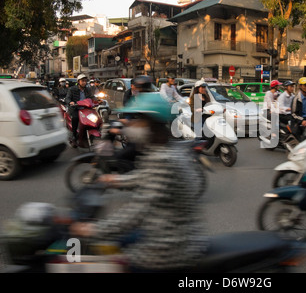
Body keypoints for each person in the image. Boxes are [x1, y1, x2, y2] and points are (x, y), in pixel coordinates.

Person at [70, 93, 208, 272]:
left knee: (115, 262)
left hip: (168, 249)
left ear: (151, 125)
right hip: (168, 230)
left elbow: (136, 213)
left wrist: (93, 229)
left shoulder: (162, 159)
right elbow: (147, 177)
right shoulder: (163, 150)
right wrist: (114, 180)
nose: (131, 126)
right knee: (120, 242)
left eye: (137, 120)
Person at [65, 74, 96, 148]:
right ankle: (74, 136)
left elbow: (92, 97)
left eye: (85, 81)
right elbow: (67, 98)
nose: (84, 82)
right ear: (78, 82)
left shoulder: (88, 89)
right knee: (75, 118)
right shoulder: (72, 89)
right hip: (76, 109)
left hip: (86, 109)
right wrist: (70, 102)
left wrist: (97, 100)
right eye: (82, 81)